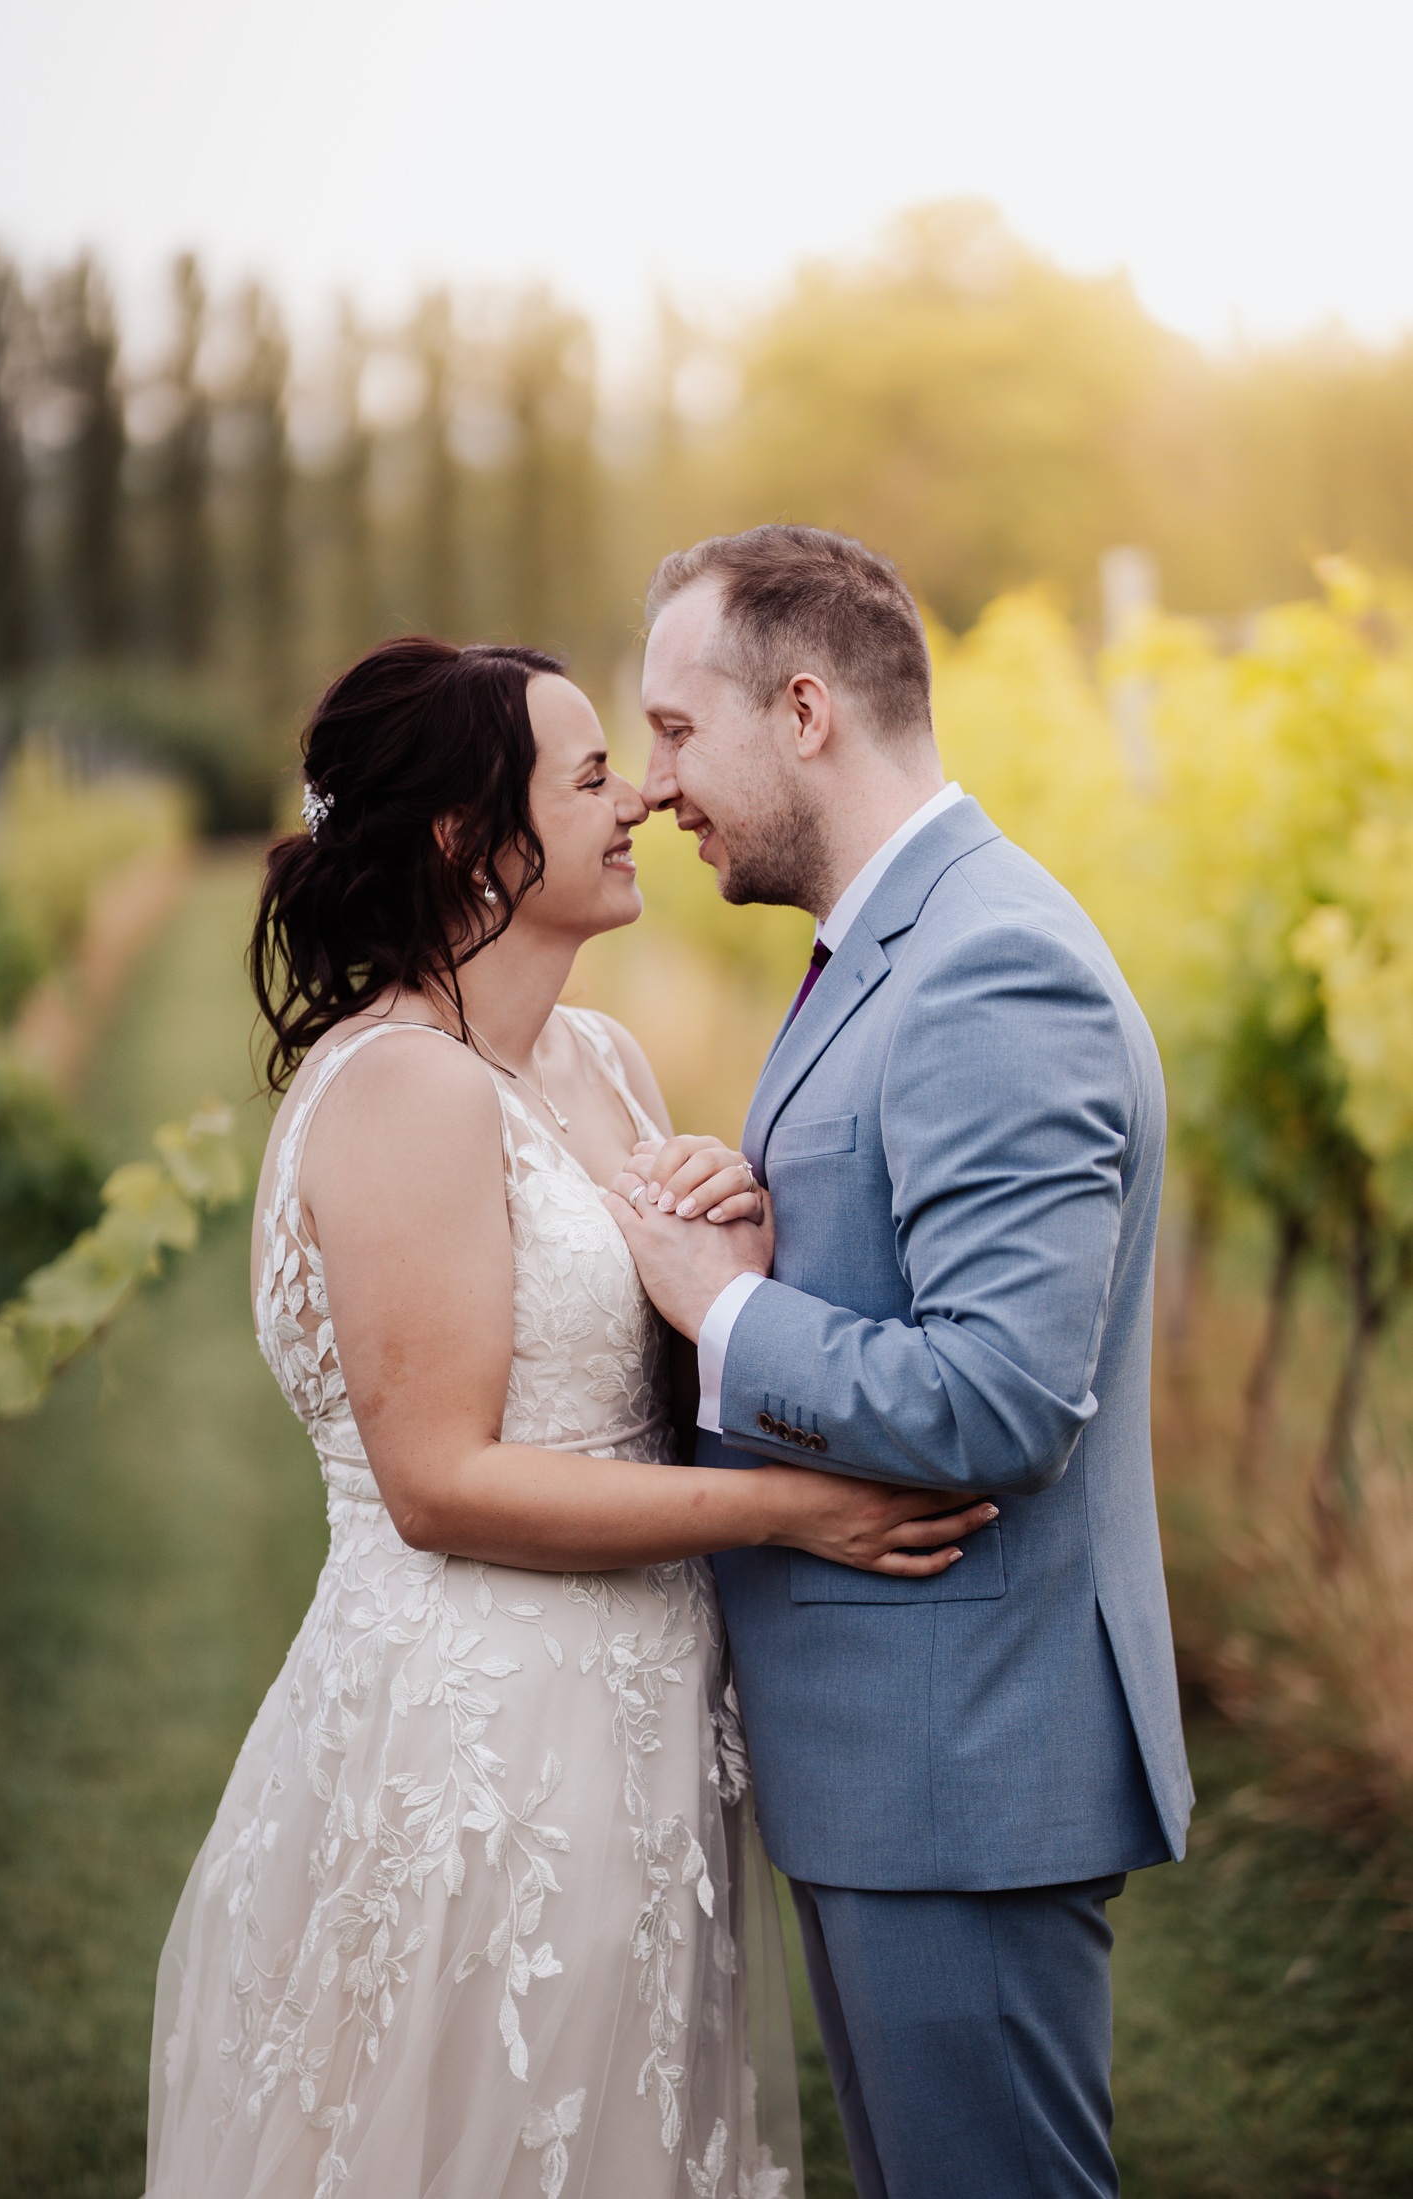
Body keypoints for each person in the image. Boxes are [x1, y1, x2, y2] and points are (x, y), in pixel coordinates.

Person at [142, 635, 996, 2199]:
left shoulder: (598, 1061)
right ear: (475, 839)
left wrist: (723, 1247)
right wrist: (795, 1510)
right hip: (481, 1729)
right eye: (594, 776)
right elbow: (444, 1485)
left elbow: (640, 1368)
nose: (642, 802)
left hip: (642, 1715)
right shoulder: (407, 1088)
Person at [608, 525, 1194, 2199]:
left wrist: (715, 1312)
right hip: (907, 1759)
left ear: (802, 712)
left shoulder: (983, 969)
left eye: (671, 729)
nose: (654, 787)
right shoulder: (896, 943)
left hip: (961, 1762)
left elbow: (1000, 1399)